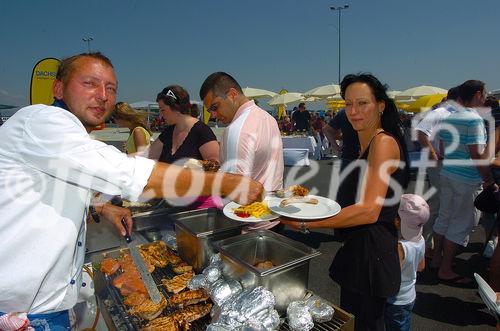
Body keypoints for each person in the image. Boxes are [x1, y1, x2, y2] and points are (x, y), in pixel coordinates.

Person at [0, 52, 263, 329]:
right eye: (90, 83)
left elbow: (53, 185)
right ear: (58, 88)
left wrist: (100, 207)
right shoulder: (43, 121)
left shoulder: (62, 133)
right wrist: (224, 182)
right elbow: (130, 172)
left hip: (45, 307)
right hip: (18, 310)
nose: (103, 95)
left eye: (110, 88)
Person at [282, 73, 410, 330]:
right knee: (354, 320)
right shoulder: (367, 144)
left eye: (362, 103)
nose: (354, 111)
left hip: (372, 253)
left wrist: (307, 224)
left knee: (365, 324)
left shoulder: (383, 143)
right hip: (360, 248)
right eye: (348, 104)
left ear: (381, 105)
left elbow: (370, 211)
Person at [199, 72, 284, 232]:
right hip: (274, 217)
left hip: (248, 225)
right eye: (210, 110)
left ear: (232, 94)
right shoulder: (268, 118)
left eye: (215, 107)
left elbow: (233, 189)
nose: (213, 115)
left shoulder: (236, 130)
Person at [431, 80, 495, 286]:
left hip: (448, 172)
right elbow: (477, 155)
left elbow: (441, 146)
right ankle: (446, 269)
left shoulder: (450, 117)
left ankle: (436, 259)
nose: (485, 97)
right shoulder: (474, 120)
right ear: (477, 94)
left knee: (444, 217)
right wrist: (488, 179)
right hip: (466, 178)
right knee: (460, 224)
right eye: (484, 94)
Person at [148, 85, 221, 209]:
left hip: (198, 206)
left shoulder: (201, 131)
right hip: (173, 203)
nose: (161, 115)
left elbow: (214, 166)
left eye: (162, 110)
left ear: (175, 107)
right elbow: (148, 156)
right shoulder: (169, 131)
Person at [414, 86, 460, 254]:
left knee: (443, 203)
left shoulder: (450, 113)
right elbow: (420, 132)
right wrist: (434, 154)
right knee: (438, 203)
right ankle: (423, 241)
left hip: (446, 164)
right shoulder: (441, 112)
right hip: (439, 164)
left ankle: (429, 240)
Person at [385, 194, 429, 331]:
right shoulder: (420, 239)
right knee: (403, 325)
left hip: (395, 299)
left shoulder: (400, 247)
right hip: (409, 296)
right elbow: (421, 267)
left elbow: (392, 276)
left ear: (398, 222)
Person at [323, 108, 361, 207]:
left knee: (345, 199)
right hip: (369, 157)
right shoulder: (372, 110)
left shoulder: (344, 112)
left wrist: (337, 147)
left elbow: (327, 130)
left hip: (348, 156)